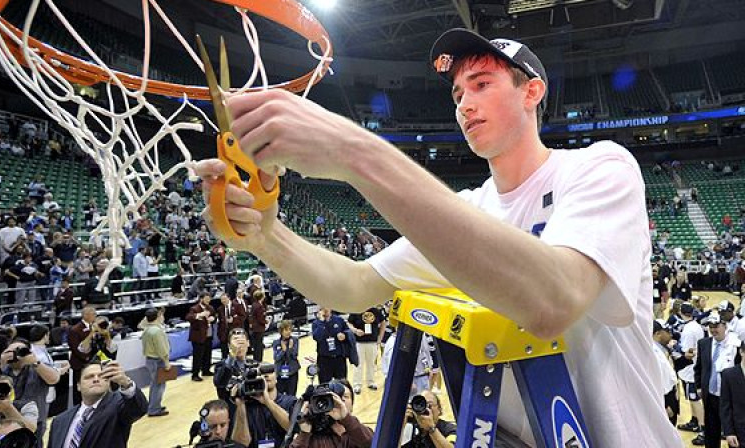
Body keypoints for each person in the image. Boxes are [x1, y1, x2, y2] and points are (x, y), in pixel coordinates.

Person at [196, 27, 681, 446]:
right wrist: (266, 236)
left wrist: (355, 153)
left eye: (481, 83)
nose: (465, 103)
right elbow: (353, 285)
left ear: (531, 92)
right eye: (457, 95)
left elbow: (554, 300)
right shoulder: (469, 211)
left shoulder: (600, 167)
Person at [0, 338, 60, 446]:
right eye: (10, 351)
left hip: (32, 424)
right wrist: (0, 364)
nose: (15, 354)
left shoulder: (37, 369)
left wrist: (35, 361)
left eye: (20, 350)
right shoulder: (0, 371)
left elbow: (54, 379)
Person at [46, 361, 147, 448]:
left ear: (108, 382)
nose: (96, 379)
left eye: (101, 376)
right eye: (89, 377)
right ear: (78, 386)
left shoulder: (118, 406)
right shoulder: (59, 421)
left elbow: (138, 408)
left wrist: (126, 383)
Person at [695, 315, 742, 448]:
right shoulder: (703, 343)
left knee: (732, 432)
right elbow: (698, 367)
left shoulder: (735, 346)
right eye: (710, 327)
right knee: (711, 432)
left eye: (716, 326)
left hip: (729, 398)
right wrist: (699, 386)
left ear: (725, 326)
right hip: (710, 396)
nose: (713, 330)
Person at [289, 379, 373, 448]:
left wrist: (346, 419)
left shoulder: (361, 432)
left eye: (345, 396)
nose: (340, 401)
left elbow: (373, 444)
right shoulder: (314, 439)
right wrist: (304, 434)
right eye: (334, 398)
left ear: (352, 405)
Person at [230, 369, 296, 448]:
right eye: (260, 373)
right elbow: (240, 444)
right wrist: (240, 405)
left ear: (276, 379)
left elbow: (293, 428)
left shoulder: (290, 401)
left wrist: (268, 402)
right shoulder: (246, 407)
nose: (265, 375)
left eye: (269, 372)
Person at [676, 303, 706, 438]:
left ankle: (703, 429)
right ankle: (694, 421)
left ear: (681, 313)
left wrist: (675, 347)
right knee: (691, 397)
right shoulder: (696, 326)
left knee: (694, 399)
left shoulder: (688, 330)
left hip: (690, 370)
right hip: (695, 368)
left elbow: (687, 352)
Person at [347, 307, 386, 394]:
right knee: (358, 364)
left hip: (372, 342)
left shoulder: (376, 310)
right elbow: (349, 323)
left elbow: (383, 322)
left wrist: (380, 337)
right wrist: (355, 330)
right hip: (359, 343)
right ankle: (357, 384)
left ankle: (371, 382)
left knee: (371, 363)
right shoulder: (356, 309)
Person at [140, 308, 171, 417]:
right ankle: (154, 409)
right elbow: (161, 349)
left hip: (150, 360)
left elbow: (141, 324)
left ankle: (154, 405)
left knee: (155, 384)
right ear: (158, 316)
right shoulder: (156, 331)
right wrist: (166, 361)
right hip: (158, 360)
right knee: (159, 385)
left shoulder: (146, 328)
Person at [312, 309, 350, 384]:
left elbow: (348, 332)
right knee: (324, 385)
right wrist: (321, 322)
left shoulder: (339, 320)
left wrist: (344, 336)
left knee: (342, 384)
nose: (325, 309)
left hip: (339, 358)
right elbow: (317, 337)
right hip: (324, 359)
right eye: (322, 308)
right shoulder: (316, 323)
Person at [652, 320, 679, 426]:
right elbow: (658, 380)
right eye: (667, 331)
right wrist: (665, 404)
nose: (670, 334)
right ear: (657, 334)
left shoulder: (662, 348)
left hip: (671, 394)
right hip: (665, 398)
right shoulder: (653, 352)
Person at [67, 307, 96, 403]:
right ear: (85, 315)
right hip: (79, 364)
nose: (95, 316)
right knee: (79, 388)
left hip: (92, 362)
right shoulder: (75, 329)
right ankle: (77, 406)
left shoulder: (94, 327)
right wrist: (87, 359)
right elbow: (75, 348)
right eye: (93, 314)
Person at [187, 292, 216, 381]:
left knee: (208, 354)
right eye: (206, 299)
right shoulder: (194, 308)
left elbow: (215, 317)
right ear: (201, 299)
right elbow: (189, 317)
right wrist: (199, 315)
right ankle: (195, 374)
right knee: (197, 356)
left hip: (209, 334)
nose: (208, 300)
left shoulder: (210, 308)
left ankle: (206, 370)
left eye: (209, 299)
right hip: (198, 336)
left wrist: (213, 319)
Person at [721, 341, 745, 448]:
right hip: (739, 433)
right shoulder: (728, 375)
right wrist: (729, 432)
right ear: (741, 352)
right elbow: (725, 406)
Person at [272, 320, 301, 396]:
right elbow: (276, 358)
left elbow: (295, 355)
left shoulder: (294, 340)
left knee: (292, 394)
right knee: (279, 395)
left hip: (292, 371)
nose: (288, 332)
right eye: (286, 330)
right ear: (281, 331)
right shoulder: (276, 342)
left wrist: (290, 349)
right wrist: (283, 351)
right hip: (280, 372)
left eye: (289, 330)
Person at [249, 290, 268, 362]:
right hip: (259, 328)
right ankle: (259, 360)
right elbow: (260, 318)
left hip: (254, 328)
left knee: (256, 345)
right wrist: (266, 321)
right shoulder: (259, 306)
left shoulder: (254, 304)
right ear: (262, 297)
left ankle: (256, 359)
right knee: (259, 345)